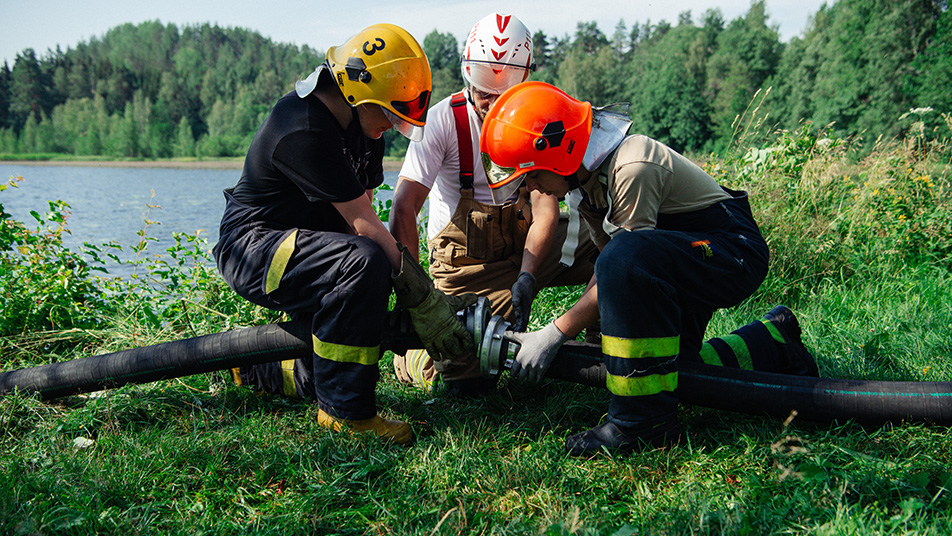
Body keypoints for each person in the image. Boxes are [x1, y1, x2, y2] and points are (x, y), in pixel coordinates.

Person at [479, 81, 819, 456]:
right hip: (684, 255)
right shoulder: (588, 183)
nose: (532, 185)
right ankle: (775, 341)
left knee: (626, 260)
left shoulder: (631, 166)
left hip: (732, 251)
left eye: (533, 174)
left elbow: (625, 260)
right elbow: (608, 271)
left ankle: (639, 423)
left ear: (561, 154)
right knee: (677, 368)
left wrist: (554, 333)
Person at [213, 24, 477, 446]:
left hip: (314, 246)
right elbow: (364, 227)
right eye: (389, 113)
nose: (393, 126)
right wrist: (424, 299)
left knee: (346, 329)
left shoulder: (365, 130)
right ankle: (346, 414)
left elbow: (366, 208)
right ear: (358, 93)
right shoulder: (301, 126)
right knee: (365, 261)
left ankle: (256, 370)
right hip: (254, 247)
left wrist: (412, 294)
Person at [389, 13, 596, 393]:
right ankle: (417, 356)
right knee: (465, 369)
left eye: (502, 95)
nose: (491, 105)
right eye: (483, 93)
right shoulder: (443, 122)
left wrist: (528, 277)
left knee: (609, 249)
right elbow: (403, 209)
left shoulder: (533, 113)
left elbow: (545, 206)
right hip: (465, 270)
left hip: (522, 250)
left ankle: (602, 342)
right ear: (468, 75)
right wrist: (419, 301)